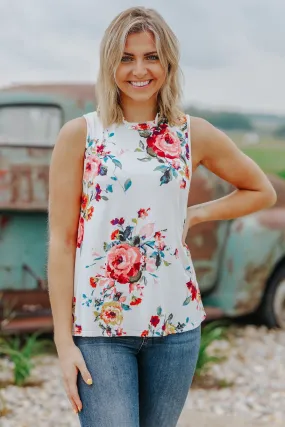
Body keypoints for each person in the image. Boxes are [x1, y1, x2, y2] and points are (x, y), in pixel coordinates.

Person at [47, 6, 277, 427]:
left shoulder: (192, 133)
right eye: (126, 57)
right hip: (100, 331)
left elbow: (261, 190)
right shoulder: (80, 135)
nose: (139, 69)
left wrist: (197, 214)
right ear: (109, 63)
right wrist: (64, 342)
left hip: (176, 326)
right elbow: (62, 243)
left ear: (168, 62)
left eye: (151, 56)